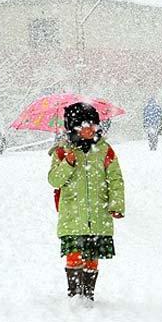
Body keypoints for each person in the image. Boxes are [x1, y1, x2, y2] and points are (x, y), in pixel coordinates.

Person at [48, 102, 125, 302]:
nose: (89, 129)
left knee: (92, 256)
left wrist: (116, 204)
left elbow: (115, 178)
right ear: (73, 127)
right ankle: (74, 294)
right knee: (74, 254)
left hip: (98, 214)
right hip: (73, 215)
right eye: (84, 125)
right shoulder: (62, 151)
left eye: (93, 125)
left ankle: (88, 293)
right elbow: (54, 180)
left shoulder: (104, 150)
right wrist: (68, 162)